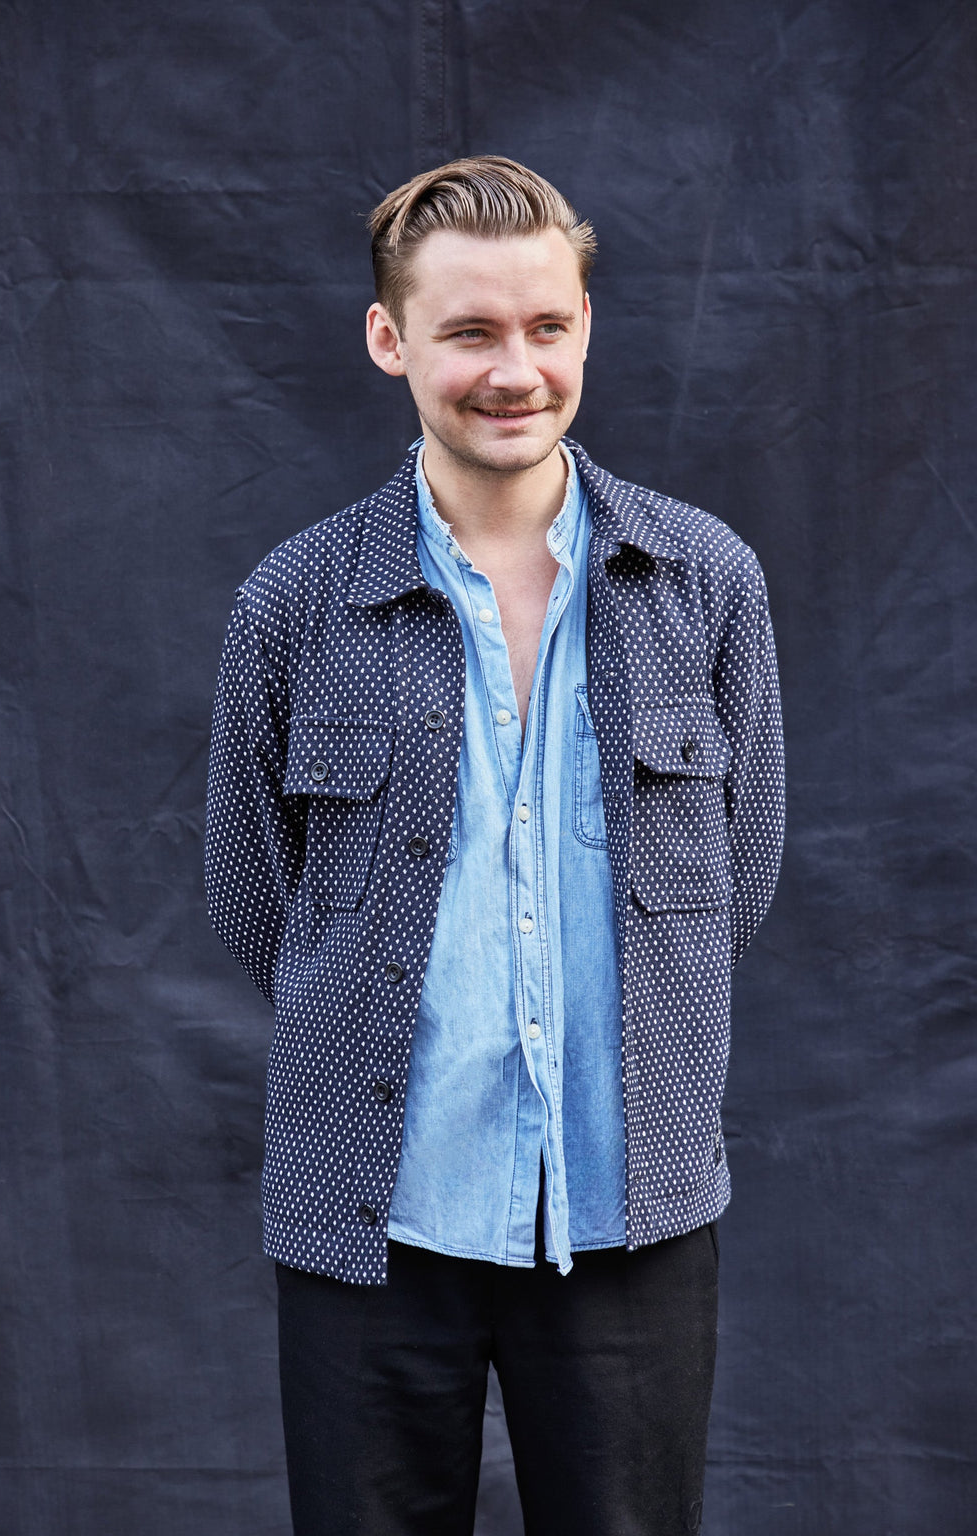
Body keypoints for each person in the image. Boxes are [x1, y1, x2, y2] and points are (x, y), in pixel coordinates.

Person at [205, 155, 784, 1536]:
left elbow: (738, 880)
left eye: (546, 325)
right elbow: (252, 900)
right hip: (373, 1218)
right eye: (468, 331)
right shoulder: (295, 600)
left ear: (586, 323)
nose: (513, 369)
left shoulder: (703, 582)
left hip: (628, 1206)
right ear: (390, 339)